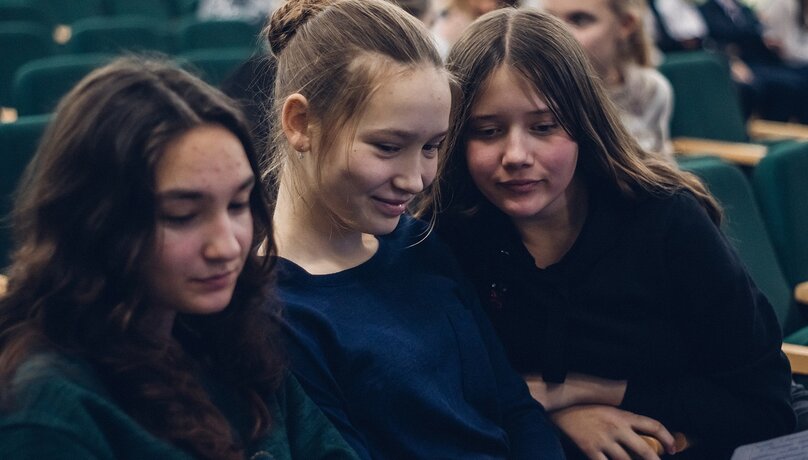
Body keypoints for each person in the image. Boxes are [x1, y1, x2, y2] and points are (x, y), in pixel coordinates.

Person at [439, 8, 794, 459]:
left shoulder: (666, 220)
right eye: (487, 131)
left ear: (584, 124)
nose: (516, 155)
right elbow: (448, 396)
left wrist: (591, 391)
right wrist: (558, 416)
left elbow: (764, 406)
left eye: (544, 127)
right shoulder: (450, 233)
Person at [0, 57, 358, 460]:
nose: (227, 247)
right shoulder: (44, 414)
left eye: (238, 204)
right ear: (97, 222)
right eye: (182, 215)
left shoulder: (229, 334)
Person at [262, 0, 564, 458]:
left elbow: (514, 408)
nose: (416, 179)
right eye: (388, 147)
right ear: (301, 124)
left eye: (432, 147)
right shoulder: (275, 311)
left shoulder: (417, 242)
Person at [541, 0, 674, 160]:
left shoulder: (649, 88)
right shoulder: (538, 94)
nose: (558, 35)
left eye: (579, 20)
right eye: (549, 20)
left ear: (625, 24)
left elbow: (659, 167)